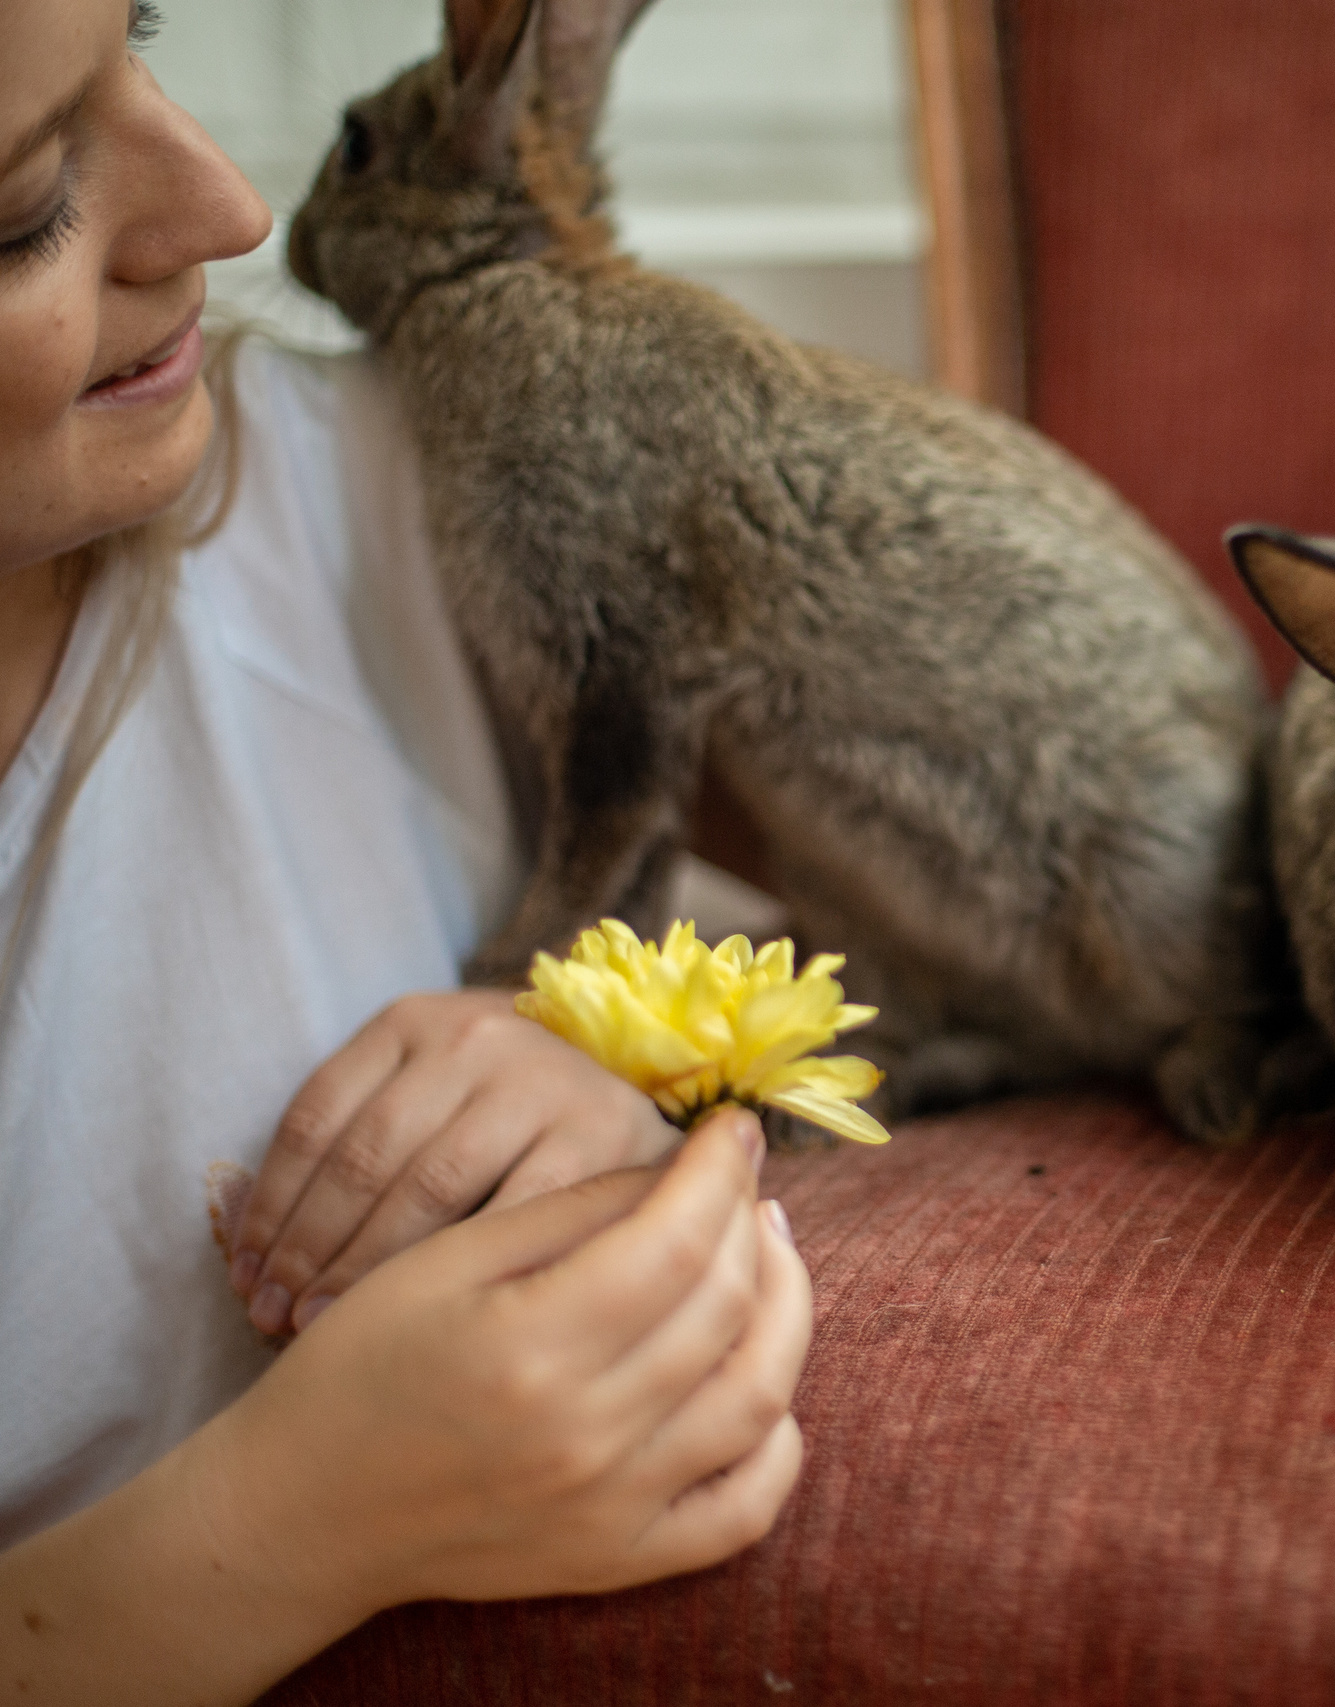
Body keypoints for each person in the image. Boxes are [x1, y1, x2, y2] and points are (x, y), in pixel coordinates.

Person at [0, 1, 815, 1698]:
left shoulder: (363, 488)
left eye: (139, 38)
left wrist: (618, 1051)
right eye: (21, 207)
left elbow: (919, 956)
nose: (229, 208)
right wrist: (295, 1519)